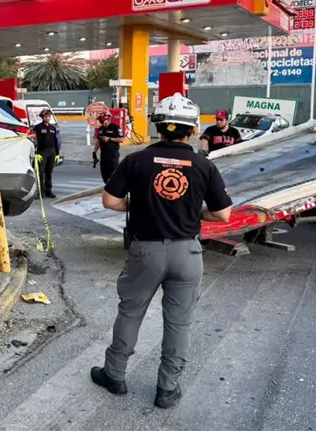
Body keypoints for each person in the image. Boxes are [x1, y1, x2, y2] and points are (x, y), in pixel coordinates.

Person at [90, 93, 232, 409]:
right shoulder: (202, 165)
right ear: (193, 130)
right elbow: (223, 214)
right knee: (179, 323)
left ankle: (114, 375)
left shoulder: (135, 160)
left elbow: (110, 201)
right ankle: (167, 389)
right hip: (187, 254)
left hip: (145, 253)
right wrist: (195, 213)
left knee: (130, 313)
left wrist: (137, 205)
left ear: (156, 127)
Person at [33, 109, 61, 198]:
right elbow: (35, 141)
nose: (47, 118)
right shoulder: (38, 128)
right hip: (42, 151)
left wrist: (57, 153)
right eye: (45, 116)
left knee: (49, 172)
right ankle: (41, 192)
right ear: (42, 117)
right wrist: (36, 152)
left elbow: (55, 141)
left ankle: (48, 191)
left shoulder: (53, 128)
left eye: (49, 116)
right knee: (41, 172)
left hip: (51, 151)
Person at [93, 111, 124, 184]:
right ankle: (107, 186)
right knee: (104, 174)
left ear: (108, 118)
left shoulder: (116, 128)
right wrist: (94, 152)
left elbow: (121, 140)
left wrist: (110, 139)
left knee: (113, 173)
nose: (101, 122)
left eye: (102, 119)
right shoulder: (101, 128)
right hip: (103, 154)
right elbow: (98, 141)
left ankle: (114, 190)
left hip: (112, 154)